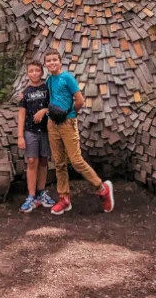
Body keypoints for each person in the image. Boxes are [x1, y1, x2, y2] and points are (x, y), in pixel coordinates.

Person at [43, 50, 114, 215]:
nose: (52, 63)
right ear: (46, 64)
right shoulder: (49, 80)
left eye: (54, 60)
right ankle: (64, 198)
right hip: (52, 124)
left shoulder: (67, 77)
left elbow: (79, 100)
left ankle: (102, 188)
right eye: (48, 61)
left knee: (76, 161)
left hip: (67, 123)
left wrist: (69, 116)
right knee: (59, 162)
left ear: (60, 62)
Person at [15, 60, 56, 213]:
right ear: (27, 74)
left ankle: (41, 192)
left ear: (41, 72)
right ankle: (31, 196)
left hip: (45, 130)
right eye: (31, 71)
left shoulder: (47, 89)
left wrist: (44, 110)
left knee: (44, 160)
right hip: (30, 131)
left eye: (37, 71)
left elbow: (54, 104)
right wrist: (20, 136)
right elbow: (21, 115)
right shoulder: (25, 93)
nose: (34, 74)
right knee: (32, 160)